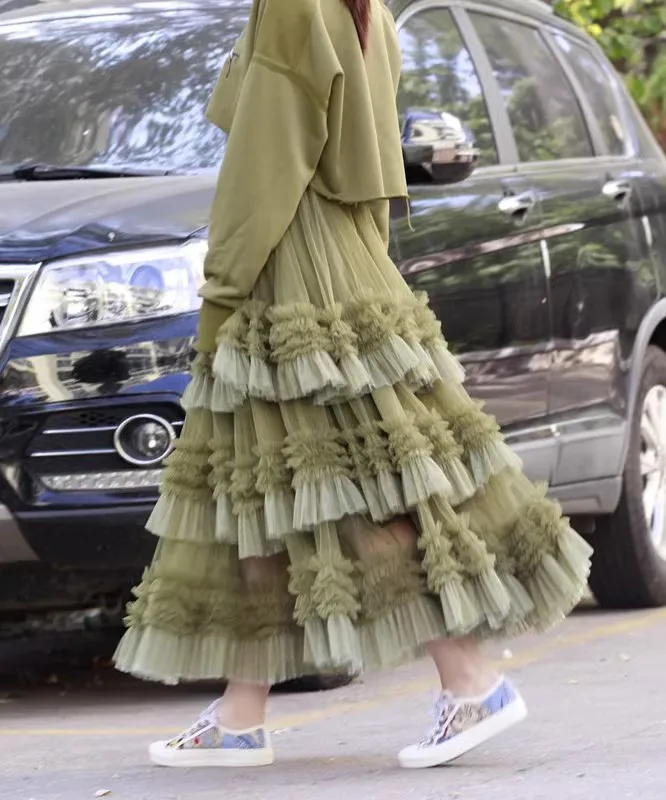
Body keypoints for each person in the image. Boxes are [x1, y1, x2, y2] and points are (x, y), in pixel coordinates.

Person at [114, 0, 593, 770]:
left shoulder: (292, 8)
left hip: (289, 264)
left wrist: (224, 283)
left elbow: (264, 167)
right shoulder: (366, 12)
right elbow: (367, 159)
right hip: (343, 253)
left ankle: (471, 678)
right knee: (269, 490)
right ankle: (241, 711)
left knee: (348, 487)